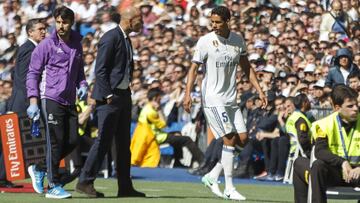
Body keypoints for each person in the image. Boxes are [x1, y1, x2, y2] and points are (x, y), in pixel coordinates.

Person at [183, 6, 267, 201]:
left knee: (243, 139)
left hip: (230, 98)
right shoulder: (205, 41)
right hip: (212, 98)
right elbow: (193, 69)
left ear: (228, 21)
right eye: (212, 22)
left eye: (218, 22)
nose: (214, 26)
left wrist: (260, 90)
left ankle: (213, 176)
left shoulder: (238, 40)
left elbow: (247, 68)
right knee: (229, 138)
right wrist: (187, 94)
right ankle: (229, 187)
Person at [75, 6, 145, 198]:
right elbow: (101, 70)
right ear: (130, 20)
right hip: (110, 98)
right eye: (140, 19)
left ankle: (125, 186)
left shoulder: (125, 38)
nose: (143, 23)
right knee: (103, 141)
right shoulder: (111, 37)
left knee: (123, 145)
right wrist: (107, 95)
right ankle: (85, 181)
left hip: (123, 96)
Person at [26, 6, 88, 199]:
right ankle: (53, 186)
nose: (61, 26)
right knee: (55, 142)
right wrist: (33, 102)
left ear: (72, 22)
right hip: (49, 97)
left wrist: (83, 84)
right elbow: (33, 73)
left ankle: (40, 168)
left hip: (69, 99)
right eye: (58, 22)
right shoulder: (46, 44)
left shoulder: (77, 42)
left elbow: (79, 70)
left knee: (71, 142)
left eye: (65, 22)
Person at [0, 18, 46, 189]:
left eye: (44, 29)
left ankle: (2, 176)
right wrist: (31, 100)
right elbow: (26, 76)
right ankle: (2, 176)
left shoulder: (28, 48)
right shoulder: (29, 49)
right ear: (30, 32)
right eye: (40, 29)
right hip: (24, 102)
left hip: (20, 99)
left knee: (12, 140)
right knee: (14, 141)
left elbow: (15, 74)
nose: (44, 32)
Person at [295, 85, 360, 203]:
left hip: (357, 173)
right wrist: (342, 162)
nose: (355, 108)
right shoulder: (324, 124)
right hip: (335, 171)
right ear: (337, 108)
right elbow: (320, 151)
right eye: (350, 106)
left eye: (357, 104)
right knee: (314, 165)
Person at [131, 87, 204, 168]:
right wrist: (159, 110)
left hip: (154, 134)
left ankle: (177, 162)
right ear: (156, 98)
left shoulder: (146, 108)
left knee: (177, 135)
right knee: (187, 139)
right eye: (160, 97)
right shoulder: (151, 112)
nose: (161, 99)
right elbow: (164, 124)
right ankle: (202, 160)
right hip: (155, 137)